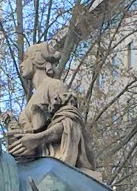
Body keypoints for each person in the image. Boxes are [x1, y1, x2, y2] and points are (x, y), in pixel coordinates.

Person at [6, 42, 98, 176]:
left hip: (52, 163)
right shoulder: (32, 99)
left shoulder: (54, 85)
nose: (21, 64)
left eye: (26, 58)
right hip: (35, 166)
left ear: (37, 60)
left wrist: (37, 139)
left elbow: (70, 123)